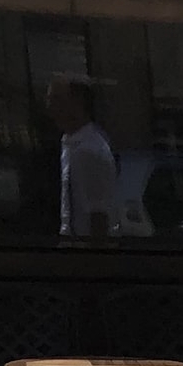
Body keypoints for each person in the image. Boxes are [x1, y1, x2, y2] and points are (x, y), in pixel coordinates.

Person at [46, 75, 118, 242]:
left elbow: (99, 215)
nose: (50, 107)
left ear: (77, 104)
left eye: (57, 100)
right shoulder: (70, 145)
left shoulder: (90, 150)